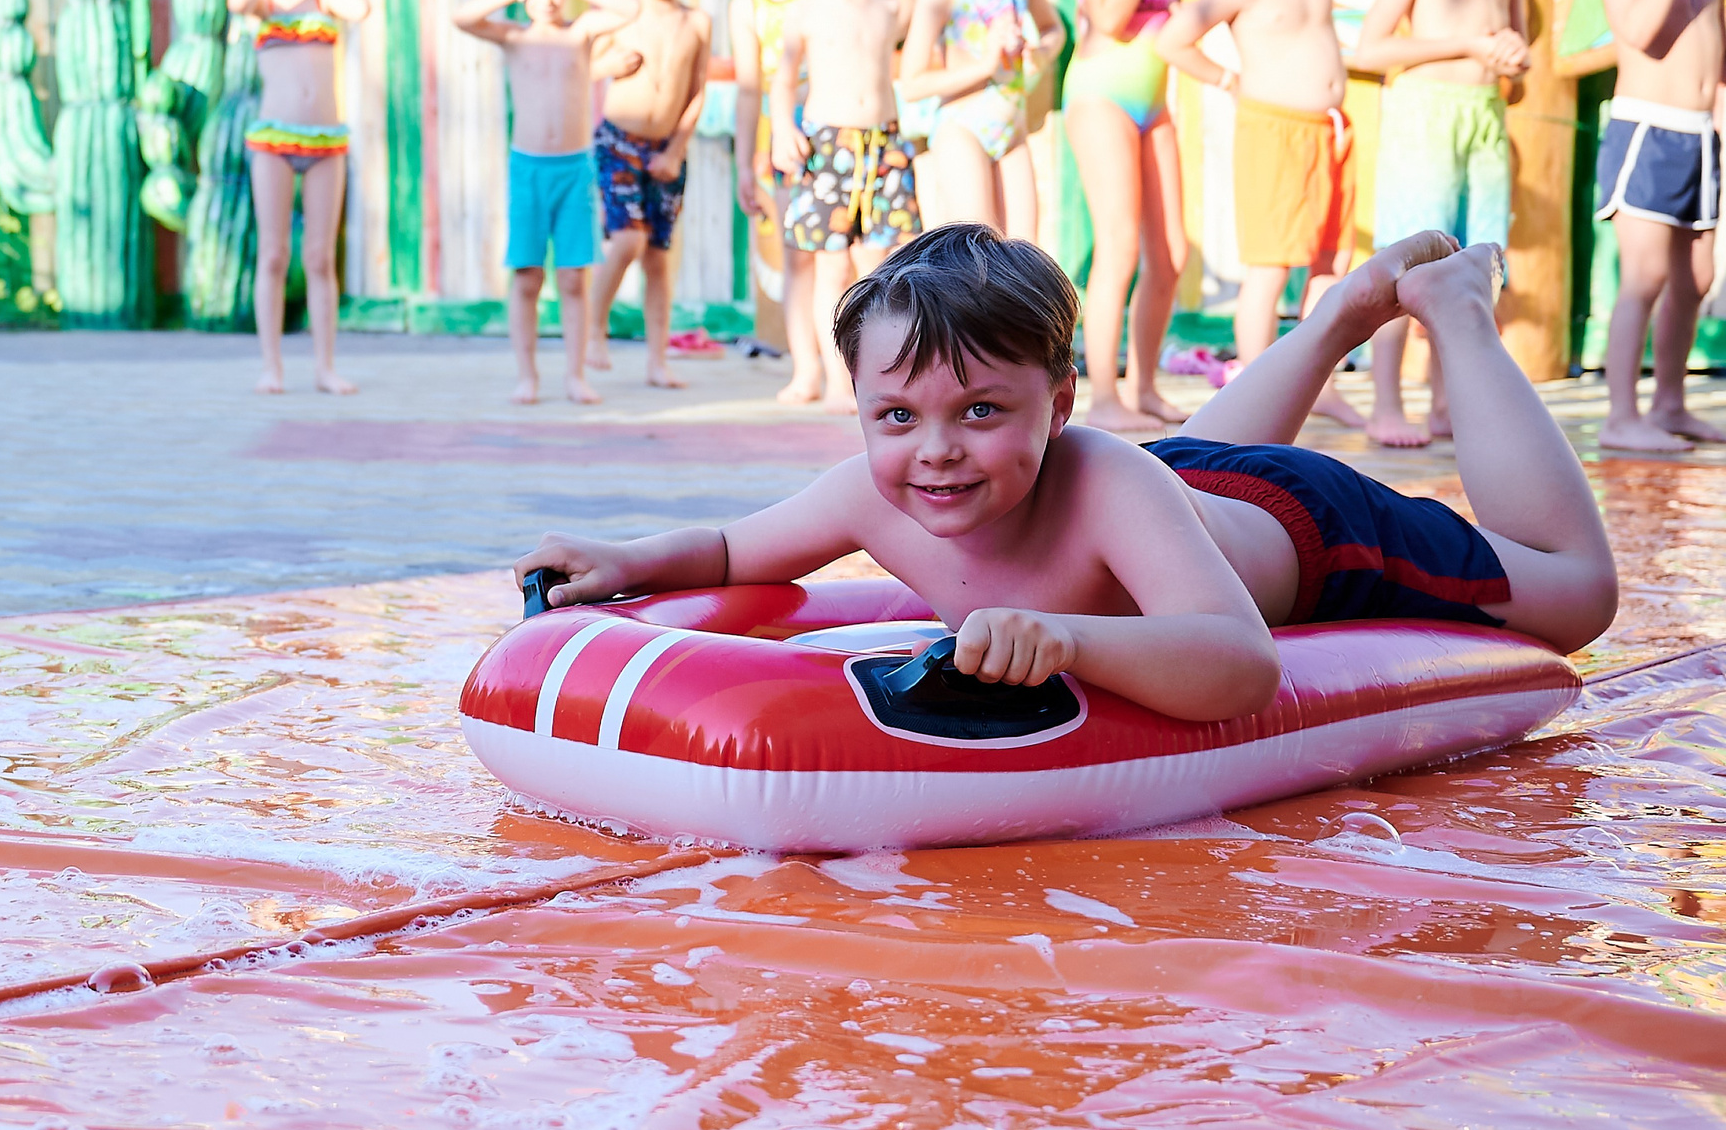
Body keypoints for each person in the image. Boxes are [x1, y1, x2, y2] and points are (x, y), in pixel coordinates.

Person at [515, 225, 1617, 725]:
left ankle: (1453, 310)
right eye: (894, 415)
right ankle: (1335, 317)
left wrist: (1070, 641)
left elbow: (1237, 666)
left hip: (1300, 529)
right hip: (1178, 486)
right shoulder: (875, 488)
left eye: (980, 411)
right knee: (1182, 466)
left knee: (1575, 599)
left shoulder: (1095, 475)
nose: (934, 449)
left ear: (1059, 406)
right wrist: (625, 557)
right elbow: (728, 553)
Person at [1157, 0, 1365, 428]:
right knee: (1271, 267)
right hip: (1273, 130)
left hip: (1331, 129)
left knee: (1330, 263)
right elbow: (1174, 39)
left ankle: (1321, 384)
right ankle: (1254, 385)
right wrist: (1228, 79)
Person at [1349, 0, 1530, 447]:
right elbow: (1368, 49)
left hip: (1484, 120)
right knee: (1408, 264)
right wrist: (1463, 44)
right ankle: (1388, 403)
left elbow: (1519, 59)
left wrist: (1512, 60)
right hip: (1425, 117)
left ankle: (1450, 403)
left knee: (1480, 267)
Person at [452, 0, 641, 405]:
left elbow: (630, 9)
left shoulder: (580, 32)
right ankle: (527, 375)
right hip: (529, 170)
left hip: (574, 169)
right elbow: (463, 17)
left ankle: (576, 375)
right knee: (527, 276)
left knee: (575, 277)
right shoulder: (515, 35)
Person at [1592, 0, 1726, 454]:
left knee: (1694, 277)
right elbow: (1642, 35)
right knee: (1643, 275)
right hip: (1646, 131)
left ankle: (1670, 401)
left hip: (1700, 137)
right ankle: (1621, 414)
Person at [1062, 0, 1191, 433]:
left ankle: (1145, 385)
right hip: (1099, 95)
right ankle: (1104, 393)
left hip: (1153, 99)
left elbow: (1177, 21)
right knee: (1117, 246)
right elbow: (1110, 19)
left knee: (1170, 251)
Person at [766, 0, 918, 413]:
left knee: (882, 266)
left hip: (883, 143)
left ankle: (880, 373)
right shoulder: (807, 11)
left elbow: (914, 3)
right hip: (830, 143)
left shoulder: (889, 5)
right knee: (831, 267)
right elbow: (783, 81)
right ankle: (834, 377)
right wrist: (783, 127)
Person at [227, 0, 372, 396]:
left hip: (326, 143)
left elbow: (361, 8)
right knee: (273, 254)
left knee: (318, 257)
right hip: (274, 143)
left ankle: (325, 366)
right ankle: (272, 366)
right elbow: (236, 2)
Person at [896, 0, 1065, 243]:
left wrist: (1041, 52)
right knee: (976, 252)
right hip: (962, 129)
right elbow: (912, 84)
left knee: (1024, 252)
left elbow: (1055, 29)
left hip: (1011, 129)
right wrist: (985, 66)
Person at [583, 0, 714, 389]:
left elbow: (697, 91)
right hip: (619, 142)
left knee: (658, 254)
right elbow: (581, 68)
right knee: (626, 241)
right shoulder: (621, 17)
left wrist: (677, 149)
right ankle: (592, 332)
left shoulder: (697, 22)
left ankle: (658, 360)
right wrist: (607, 63)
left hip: (666, 150)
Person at [725, 0, 827, 405]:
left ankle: (845, 366)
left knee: (844, 258)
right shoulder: (746, 6)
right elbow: (748, 91)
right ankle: (805, 367)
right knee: (798, 254)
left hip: (840, 127)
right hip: (785, 139)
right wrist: (745, 165)